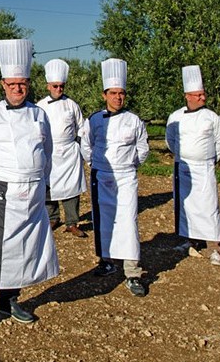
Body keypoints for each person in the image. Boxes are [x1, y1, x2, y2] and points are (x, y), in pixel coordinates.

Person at [0, 39, 59, 337]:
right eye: (12, 84)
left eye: (23, 83)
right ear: (2, 84)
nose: (17, 88)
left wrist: (44, 187)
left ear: (29, 84)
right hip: (1, 195)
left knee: (22, 250)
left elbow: (48, 152)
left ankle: (9, 302)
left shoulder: (39, 114)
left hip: (31, 195)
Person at [80, 58, 149, 297]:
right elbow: (86, 145)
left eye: (121, 93)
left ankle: (132, 271)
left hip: (126, 176)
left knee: (128, 221)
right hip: (101, 175)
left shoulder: (135, 121)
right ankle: (106, 260)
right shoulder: (95, 120)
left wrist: (129, 166)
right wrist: (95, 164)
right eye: (113, 93)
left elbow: (143, 149)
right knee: (103, 219)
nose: (118, 98)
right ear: (104, 95)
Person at [165, 65, 220, 266]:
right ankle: (190, 240)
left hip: (204, 169)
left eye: (203, 94)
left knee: (209, 206)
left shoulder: (212, 117)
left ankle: (213, 246)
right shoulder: (175, 117)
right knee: (185, 206)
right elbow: (170, 140)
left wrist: (208, 160)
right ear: (188, 96)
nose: (202, 98)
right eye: (198, 95)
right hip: (183, 168)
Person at [36, 59, 87, 237]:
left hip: (69, 153)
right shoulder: (39, 107)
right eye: (55, 86)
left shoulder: (72, 105)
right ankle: (53, 217)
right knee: (48, 186)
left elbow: (82, 127)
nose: (59, 89)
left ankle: (72, 222)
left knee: (71, 188)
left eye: (62, 86)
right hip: (49, 152)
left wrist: (79, 144)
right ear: (48, 86)